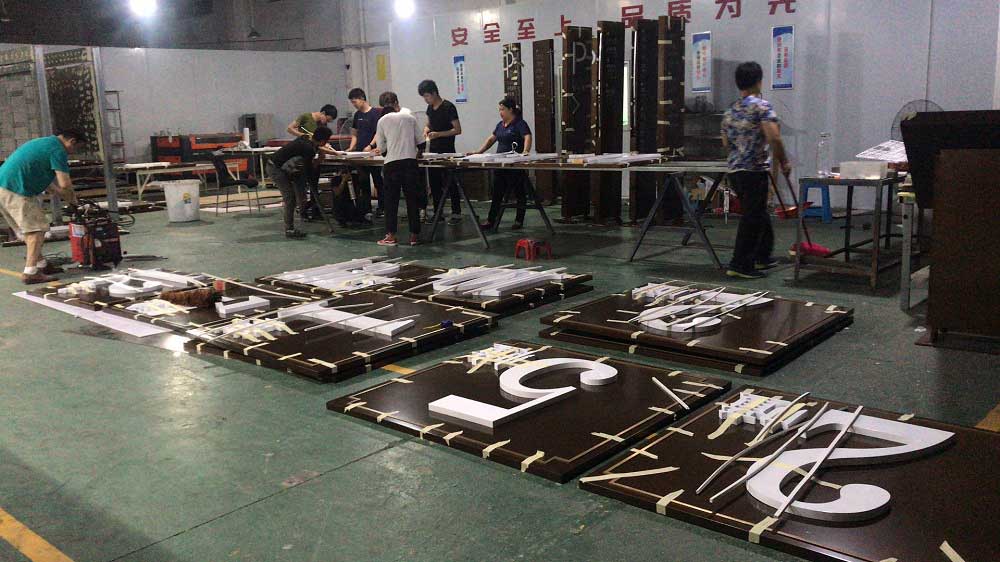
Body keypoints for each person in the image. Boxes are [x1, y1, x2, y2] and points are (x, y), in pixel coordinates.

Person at [721, 61, 791, 279]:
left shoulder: (730, 110)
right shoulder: (762, 107)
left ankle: (762, 256)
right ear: (759, 81)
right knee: (752, 217)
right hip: (753, 170)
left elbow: (725, 142)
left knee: (758, 212)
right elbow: (774, 137)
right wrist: (784, 161)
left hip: (735, 170)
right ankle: (740, 264)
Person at [0, 129, 84, 284]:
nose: (73, 152)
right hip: (17, 190)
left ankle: (41, 264)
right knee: (37, 230)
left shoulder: (43, 143)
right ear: (72, 141)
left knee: (28, 230)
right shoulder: (58, 150)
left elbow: (45, 180)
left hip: (4, 187)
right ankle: (30, 273)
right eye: (76, 148)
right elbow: (65, 185)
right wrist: (74, 202)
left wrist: (61, 194)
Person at [470, 96, 532, 231]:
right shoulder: (500, 125)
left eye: (502, 109)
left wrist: (525, 151)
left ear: (510, 110)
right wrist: (478, 152)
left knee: (519, 193)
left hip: (514, 165)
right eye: (499, 109)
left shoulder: (519, 123)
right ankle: (491, 220)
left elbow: (527, 136)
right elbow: (491, 139)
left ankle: (519, 220)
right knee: (497, 193)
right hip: (500, 165)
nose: (500, 112)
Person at [372, 91, 425, 247]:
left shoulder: (382, 121)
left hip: (392, 165)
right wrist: (416, 153)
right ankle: (414, 236)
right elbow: (422, 143)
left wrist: (388, 151)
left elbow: (382, 148)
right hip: (410, 163)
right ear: (395, 104)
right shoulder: (410, 117)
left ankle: (391, 235)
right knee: (412, 200)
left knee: (391, 201)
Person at [267, 126, 333, 239]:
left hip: (283, 167)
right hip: (276, 169)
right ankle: (289, 229)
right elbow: (309, 171)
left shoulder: (305, 139)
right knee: (290, 197)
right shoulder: (308, 149)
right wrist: (319, 161)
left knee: (299, 192)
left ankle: (302, 215)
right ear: (323, 141)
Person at [418, 79, 463, 225]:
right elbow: (429, 123)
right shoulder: (430, 108)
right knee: (435, 182)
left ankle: (456, 213)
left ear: (434, 93)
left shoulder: (448, 107)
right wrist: (426, 129)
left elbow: (457, 129)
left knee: (450, 182)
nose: (426, 99)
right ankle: (438, 213)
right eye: (424, 97)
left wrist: (439, 134)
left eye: (427, 96)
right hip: (433, 151)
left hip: (447, 150)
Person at [346, 88, 384, 221]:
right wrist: (351, 148)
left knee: (378, 180)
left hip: (373, 153)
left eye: (355, 101)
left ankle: (382, 207)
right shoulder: (357, 115)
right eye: (352, 103)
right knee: (363, 181)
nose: (354, 104)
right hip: (360, 154)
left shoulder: (375, 113)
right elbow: (354, 134)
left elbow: (378, 132)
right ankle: (366, 209)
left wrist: (371, 145)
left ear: (362, 98)